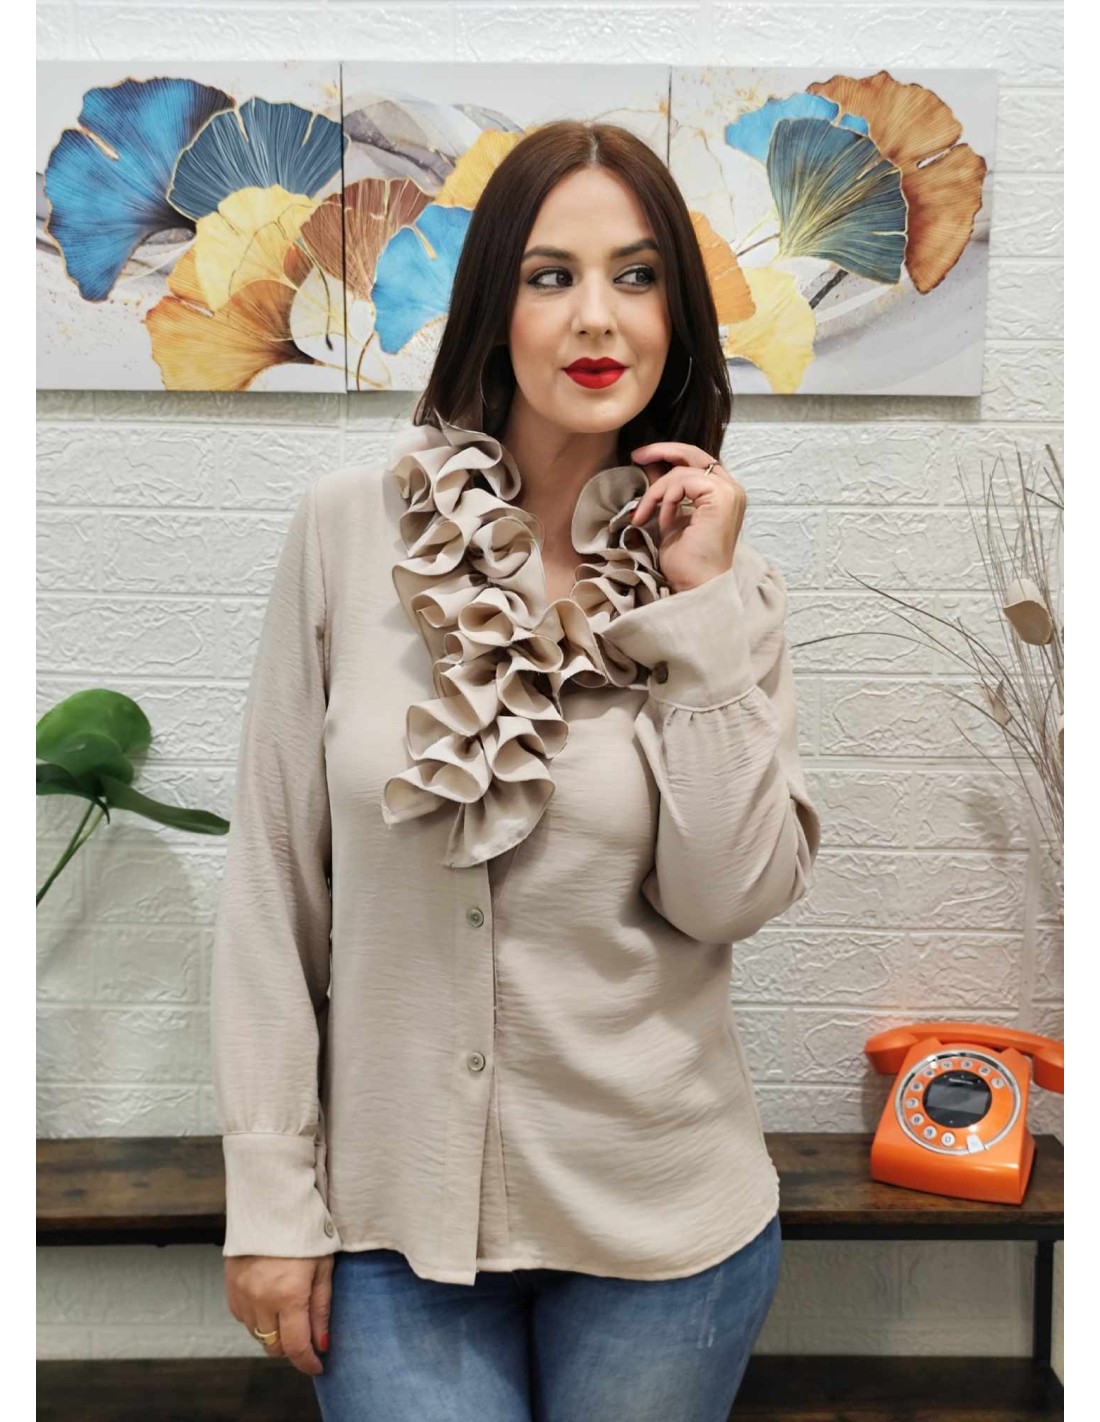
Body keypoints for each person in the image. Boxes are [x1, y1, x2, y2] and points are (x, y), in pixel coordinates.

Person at [210, 119, 821, 1421]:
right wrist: (269, 1197)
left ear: (677, 315)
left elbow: (726, 896)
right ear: (495, 302)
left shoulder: (729, 588)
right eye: (552, 275)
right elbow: (271, 891)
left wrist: (700, 616)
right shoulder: (346, 534)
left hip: (666, 1235)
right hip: (390, 1226)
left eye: (637, 275)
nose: (598, 315)